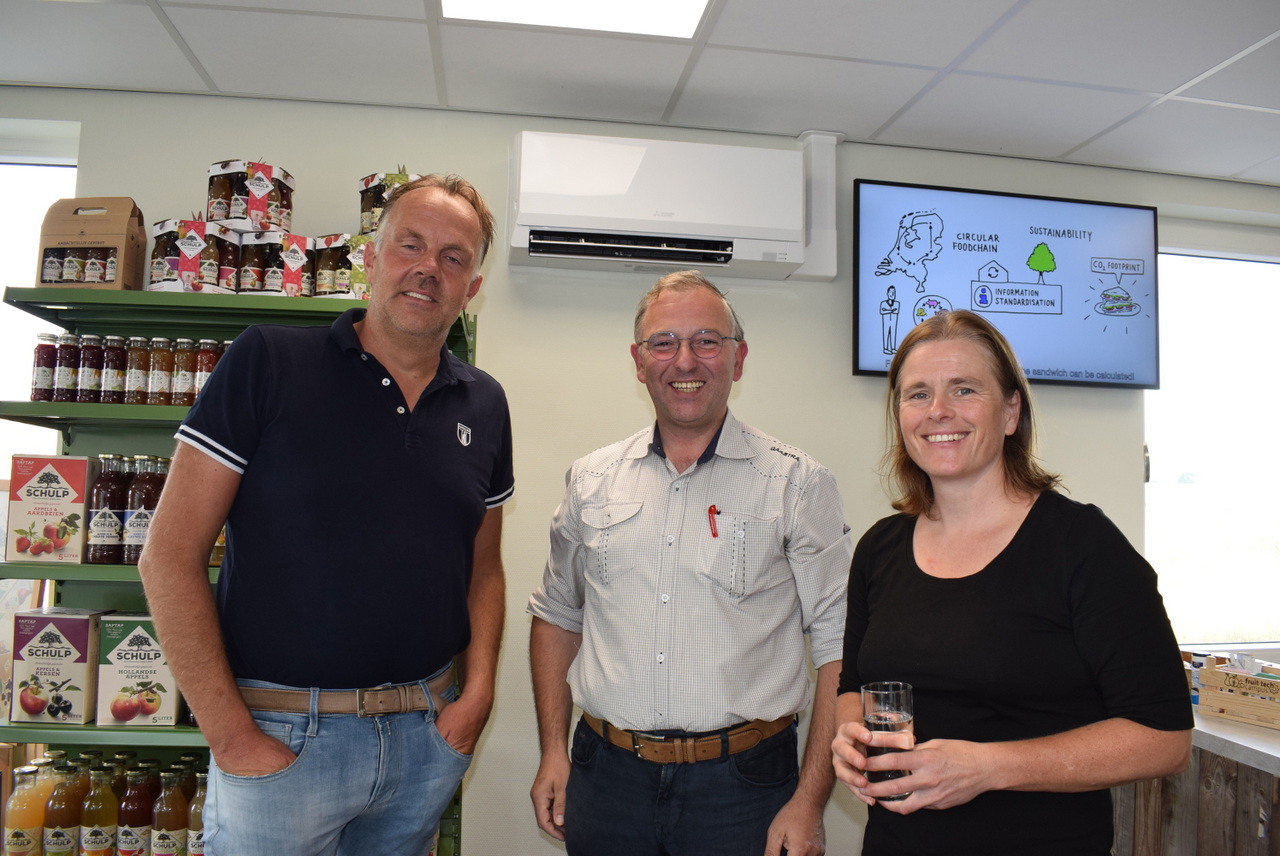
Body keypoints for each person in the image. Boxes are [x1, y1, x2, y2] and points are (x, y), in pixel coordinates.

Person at [137, 174, 513, 856]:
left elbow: (483, 569)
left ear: (472, 288)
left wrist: (477, 694)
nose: (429, 268)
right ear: (370, 258)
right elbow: (168, 556)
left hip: (423, 740)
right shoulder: (268, 361)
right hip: (280, 737)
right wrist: (231, 735)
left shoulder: (484, 404)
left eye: (454, 257)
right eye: (410, 245)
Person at [831, 309, 1191, 856]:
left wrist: (987, 767)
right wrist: (848, 736)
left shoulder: (1082, 546)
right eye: (918, 394)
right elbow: (853, 687)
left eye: (964, 389)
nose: (939, 410)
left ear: (1010, 412)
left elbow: (1164, 739)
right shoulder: (878, 548)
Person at [528, 270, 853, 856]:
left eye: (706, 341)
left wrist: (809, 802)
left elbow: (839, 645)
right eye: (664, 342)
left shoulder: (796, 484)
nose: (684, 360)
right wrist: (553, 749)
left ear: (738, 358)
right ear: (638, 361)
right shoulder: (591, 480)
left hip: (745, 790)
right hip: (606, 780)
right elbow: (556, 615)